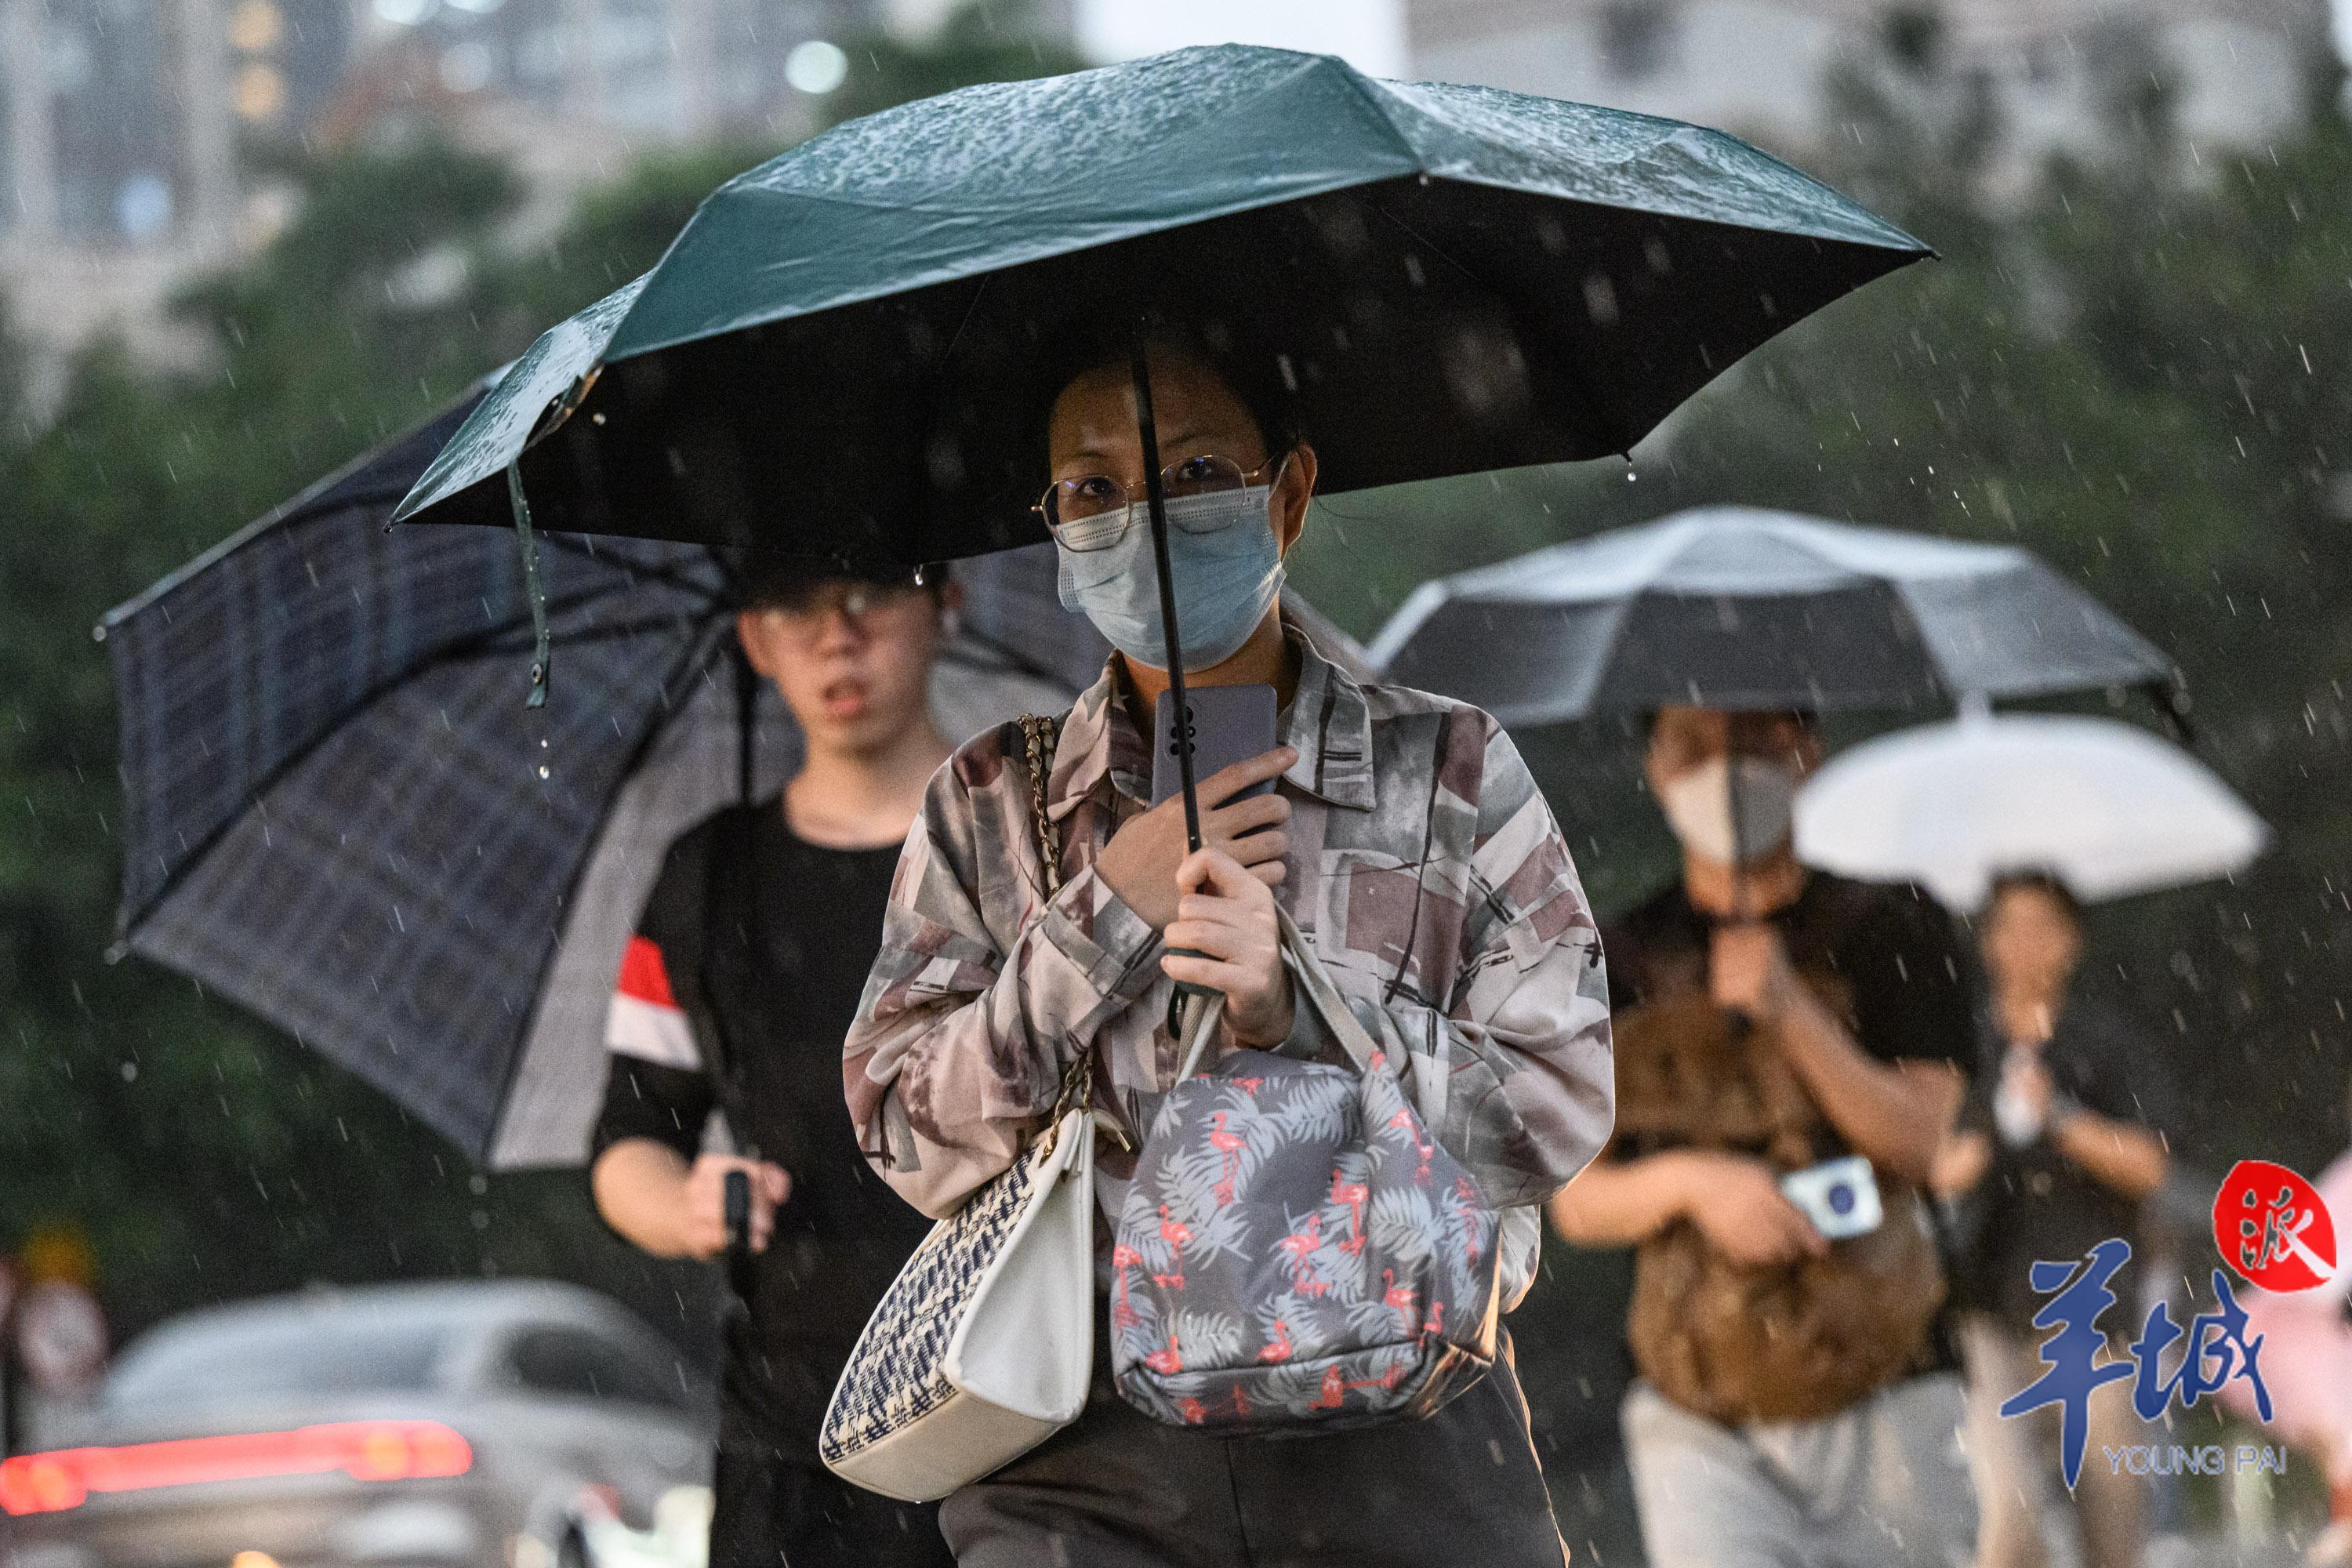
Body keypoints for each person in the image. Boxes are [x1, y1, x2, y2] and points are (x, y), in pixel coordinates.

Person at [840, 337, 1617, 1567]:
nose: (1142, 520)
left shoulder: (1448, 772)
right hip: (1083, 1469)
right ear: (1053, 527)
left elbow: (1560, 1108)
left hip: (1405, 1428)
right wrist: (1101, 917)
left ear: (1289, 497)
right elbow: (900, 1129)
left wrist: (1302, 1018)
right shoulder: (989, 802)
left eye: (1195, 472)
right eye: (1092, 489)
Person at [589, 561, 964, 1568]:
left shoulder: (1026, 848)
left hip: (1017, 1427)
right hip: (792, 1443)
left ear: (946, 598)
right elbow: (627, 1142)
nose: (837, 635)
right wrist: (687, 1204)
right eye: (796, 607)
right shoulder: (705, 881)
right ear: (754, 639)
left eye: (871, 594)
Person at [1549, 705, 1980, 1568]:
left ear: (1806, 752)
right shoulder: (1609, 957)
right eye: (1694, 745)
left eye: (1754, 738)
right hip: (1696, 1406)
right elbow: (1578, 1200)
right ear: (1658, 770)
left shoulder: (1896, 926)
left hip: (1889, 1381)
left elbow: (1920, 1141)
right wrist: (1694, 1183)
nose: (1725, 767)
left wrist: (1790, 1008)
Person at [1933, 872, 2172, 1568]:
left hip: (2092, 1321)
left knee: (2115, 1523)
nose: (2025, 944)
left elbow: (2152, 1164)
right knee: (2010, 1515)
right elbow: (1932, 1162)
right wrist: (1982, 1135)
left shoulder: (2106, 1044)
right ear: (1987, 942)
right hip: (1987, 1313)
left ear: (2072, 942)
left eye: (2042, 926)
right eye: (2009, 926)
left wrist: (2061, 1120)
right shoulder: (1960, 1047)